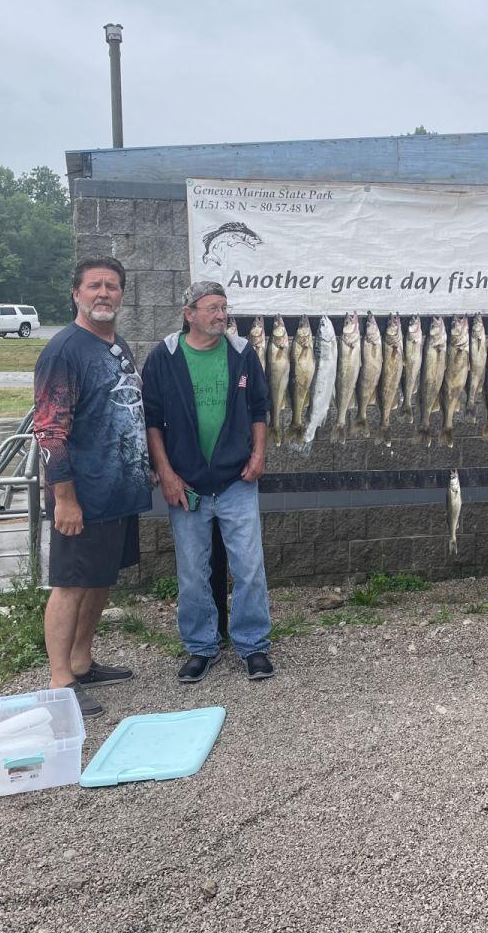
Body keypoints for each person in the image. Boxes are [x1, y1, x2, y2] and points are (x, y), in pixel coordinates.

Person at [33, 256, 152, 718]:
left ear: (122, 293)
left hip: (118, 490)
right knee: (70, 585)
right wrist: (64, 498)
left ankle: (81, 662)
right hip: (81, 494)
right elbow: (49, 432)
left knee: (100, 580)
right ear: (76, 293)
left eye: (112, 286)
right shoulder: (64, 351)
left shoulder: (117, 344)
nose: (104, 293)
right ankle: (60, 679)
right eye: (94, 285)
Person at [140, 281, 275, 682]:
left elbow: (259, 408)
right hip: (187, 485)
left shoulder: (242, 353)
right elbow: (151, 421)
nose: (221, 315)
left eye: (223, 307)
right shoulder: (164, 357)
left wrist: (258, 454)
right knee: (192, 573)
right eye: (212, 308)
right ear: (189, 313)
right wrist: (166, 473)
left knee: (249, 568)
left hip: (237, 481)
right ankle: (201, 646)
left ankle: (253, 645)